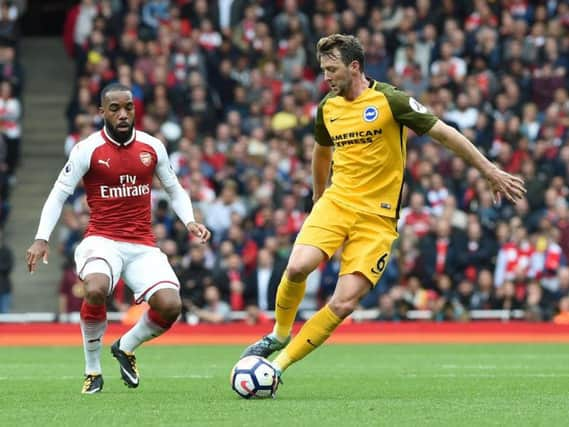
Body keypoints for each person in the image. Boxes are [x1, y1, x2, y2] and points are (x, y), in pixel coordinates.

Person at [240, 34, 526, 392]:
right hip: (337, 202)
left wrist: (490, 171)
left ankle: (278, 367)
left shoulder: (391, 100)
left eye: (332, 69)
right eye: (323, 69)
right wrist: (317, 197)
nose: (326, 77)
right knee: (297, 266)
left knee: (343, 303)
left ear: (354, 67)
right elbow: (321, 153)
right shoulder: (327, 107)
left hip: (377, 218)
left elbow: (445, 134)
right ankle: (279, 333)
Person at [26, 83, 211, 394]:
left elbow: (174, 188)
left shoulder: (152, 147)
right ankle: (92, 371)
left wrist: (190, 220)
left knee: (170, 306)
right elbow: (59, 194)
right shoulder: (88, 149)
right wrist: (41, 238)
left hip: (142, 245)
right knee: (96, 288)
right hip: (101, 240)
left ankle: (126, 346)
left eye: (128, 107)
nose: (123, 114)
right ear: (102, 112)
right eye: (115, 108)